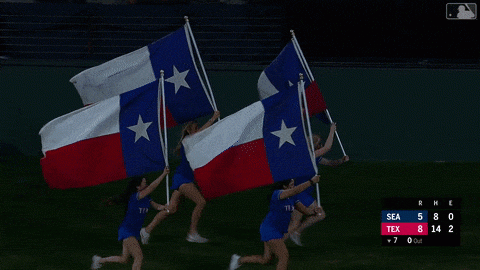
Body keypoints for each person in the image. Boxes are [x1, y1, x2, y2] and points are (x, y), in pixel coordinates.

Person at [139, 111, 220, 244]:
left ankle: (146, 230)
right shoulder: (187, 141)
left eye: (197, 126)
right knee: (201, 202)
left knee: (171, 209)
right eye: (195, 127)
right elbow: (201, 134)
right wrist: (213, 119)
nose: (198, 129)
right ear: (189, 130)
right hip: (183, 179)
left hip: (182, 178)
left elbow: (203, 137)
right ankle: (192, 233)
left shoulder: (192, 142)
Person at [229, 176, 322, 270]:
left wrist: (314, 211)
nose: (294, 186)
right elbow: (296, 190)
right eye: (291, 185)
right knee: (283, 256)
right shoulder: (277, 194)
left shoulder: (292, 198)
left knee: (266, 259)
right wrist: (311, 182)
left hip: (278, 230)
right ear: (284, 186)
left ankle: (238, 260)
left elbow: (305, 211)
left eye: (294, 184)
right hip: (270, 229)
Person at [91, 167, 170, 270]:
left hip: (134, 232)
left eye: (146, 183)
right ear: (138, 187)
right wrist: (163, 174)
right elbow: (151, 188)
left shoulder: (147, 198)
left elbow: (157, 207)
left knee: (124, 259)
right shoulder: (135, 197)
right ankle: (98, 261)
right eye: (144, 183)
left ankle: (99, 260)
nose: (146, 185)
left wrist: (165, 207)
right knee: (139, 257)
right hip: (127, 231)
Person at [286, 122, 349, 246]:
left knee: (295, 222)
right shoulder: (307, 156)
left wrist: (341, 161)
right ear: (314, 146)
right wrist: (332, 130)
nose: (321, 145)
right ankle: (295, 234)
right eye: (319, 144)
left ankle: (275, 245)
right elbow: (327, 148)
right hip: (301, 193)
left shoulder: (314, 157)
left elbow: (331, 163)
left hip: (300, 192)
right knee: (320, 214)